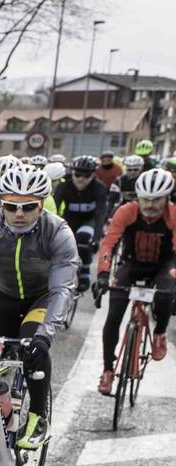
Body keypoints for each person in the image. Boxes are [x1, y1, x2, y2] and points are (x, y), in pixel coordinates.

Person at [0, 164, 78, 449]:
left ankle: (38, 417)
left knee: (33, 346)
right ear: (2, 203)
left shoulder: (58, 231)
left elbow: (62, 288)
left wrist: (45, 336)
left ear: (42, 204)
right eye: (11, 206)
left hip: (41, 298)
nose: (19, 214)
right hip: (4, 299)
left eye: (28, 207)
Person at [95, 168, 176, 392]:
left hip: (164, 265)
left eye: (156, 200)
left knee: (166, 293)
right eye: (145, 199)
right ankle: (108, 370)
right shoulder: (126, 211)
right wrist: (102, 273)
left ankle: (159, 332)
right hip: (132, 264)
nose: (150, 205)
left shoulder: (174, 215)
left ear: (167, 197)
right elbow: (108, 244)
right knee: (113, 317)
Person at [53, 155, 109, 292]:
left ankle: (84, 272)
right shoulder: (64, 186)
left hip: (88, 220)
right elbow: (54, 209)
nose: (81, 179)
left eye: (86, 175)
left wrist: (96, 239)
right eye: (77, 174)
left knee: (83, 240)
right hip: (69, 219)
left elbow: (100, 214)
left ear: (93, 175)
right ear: (72, 173)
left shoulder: (99, 187)